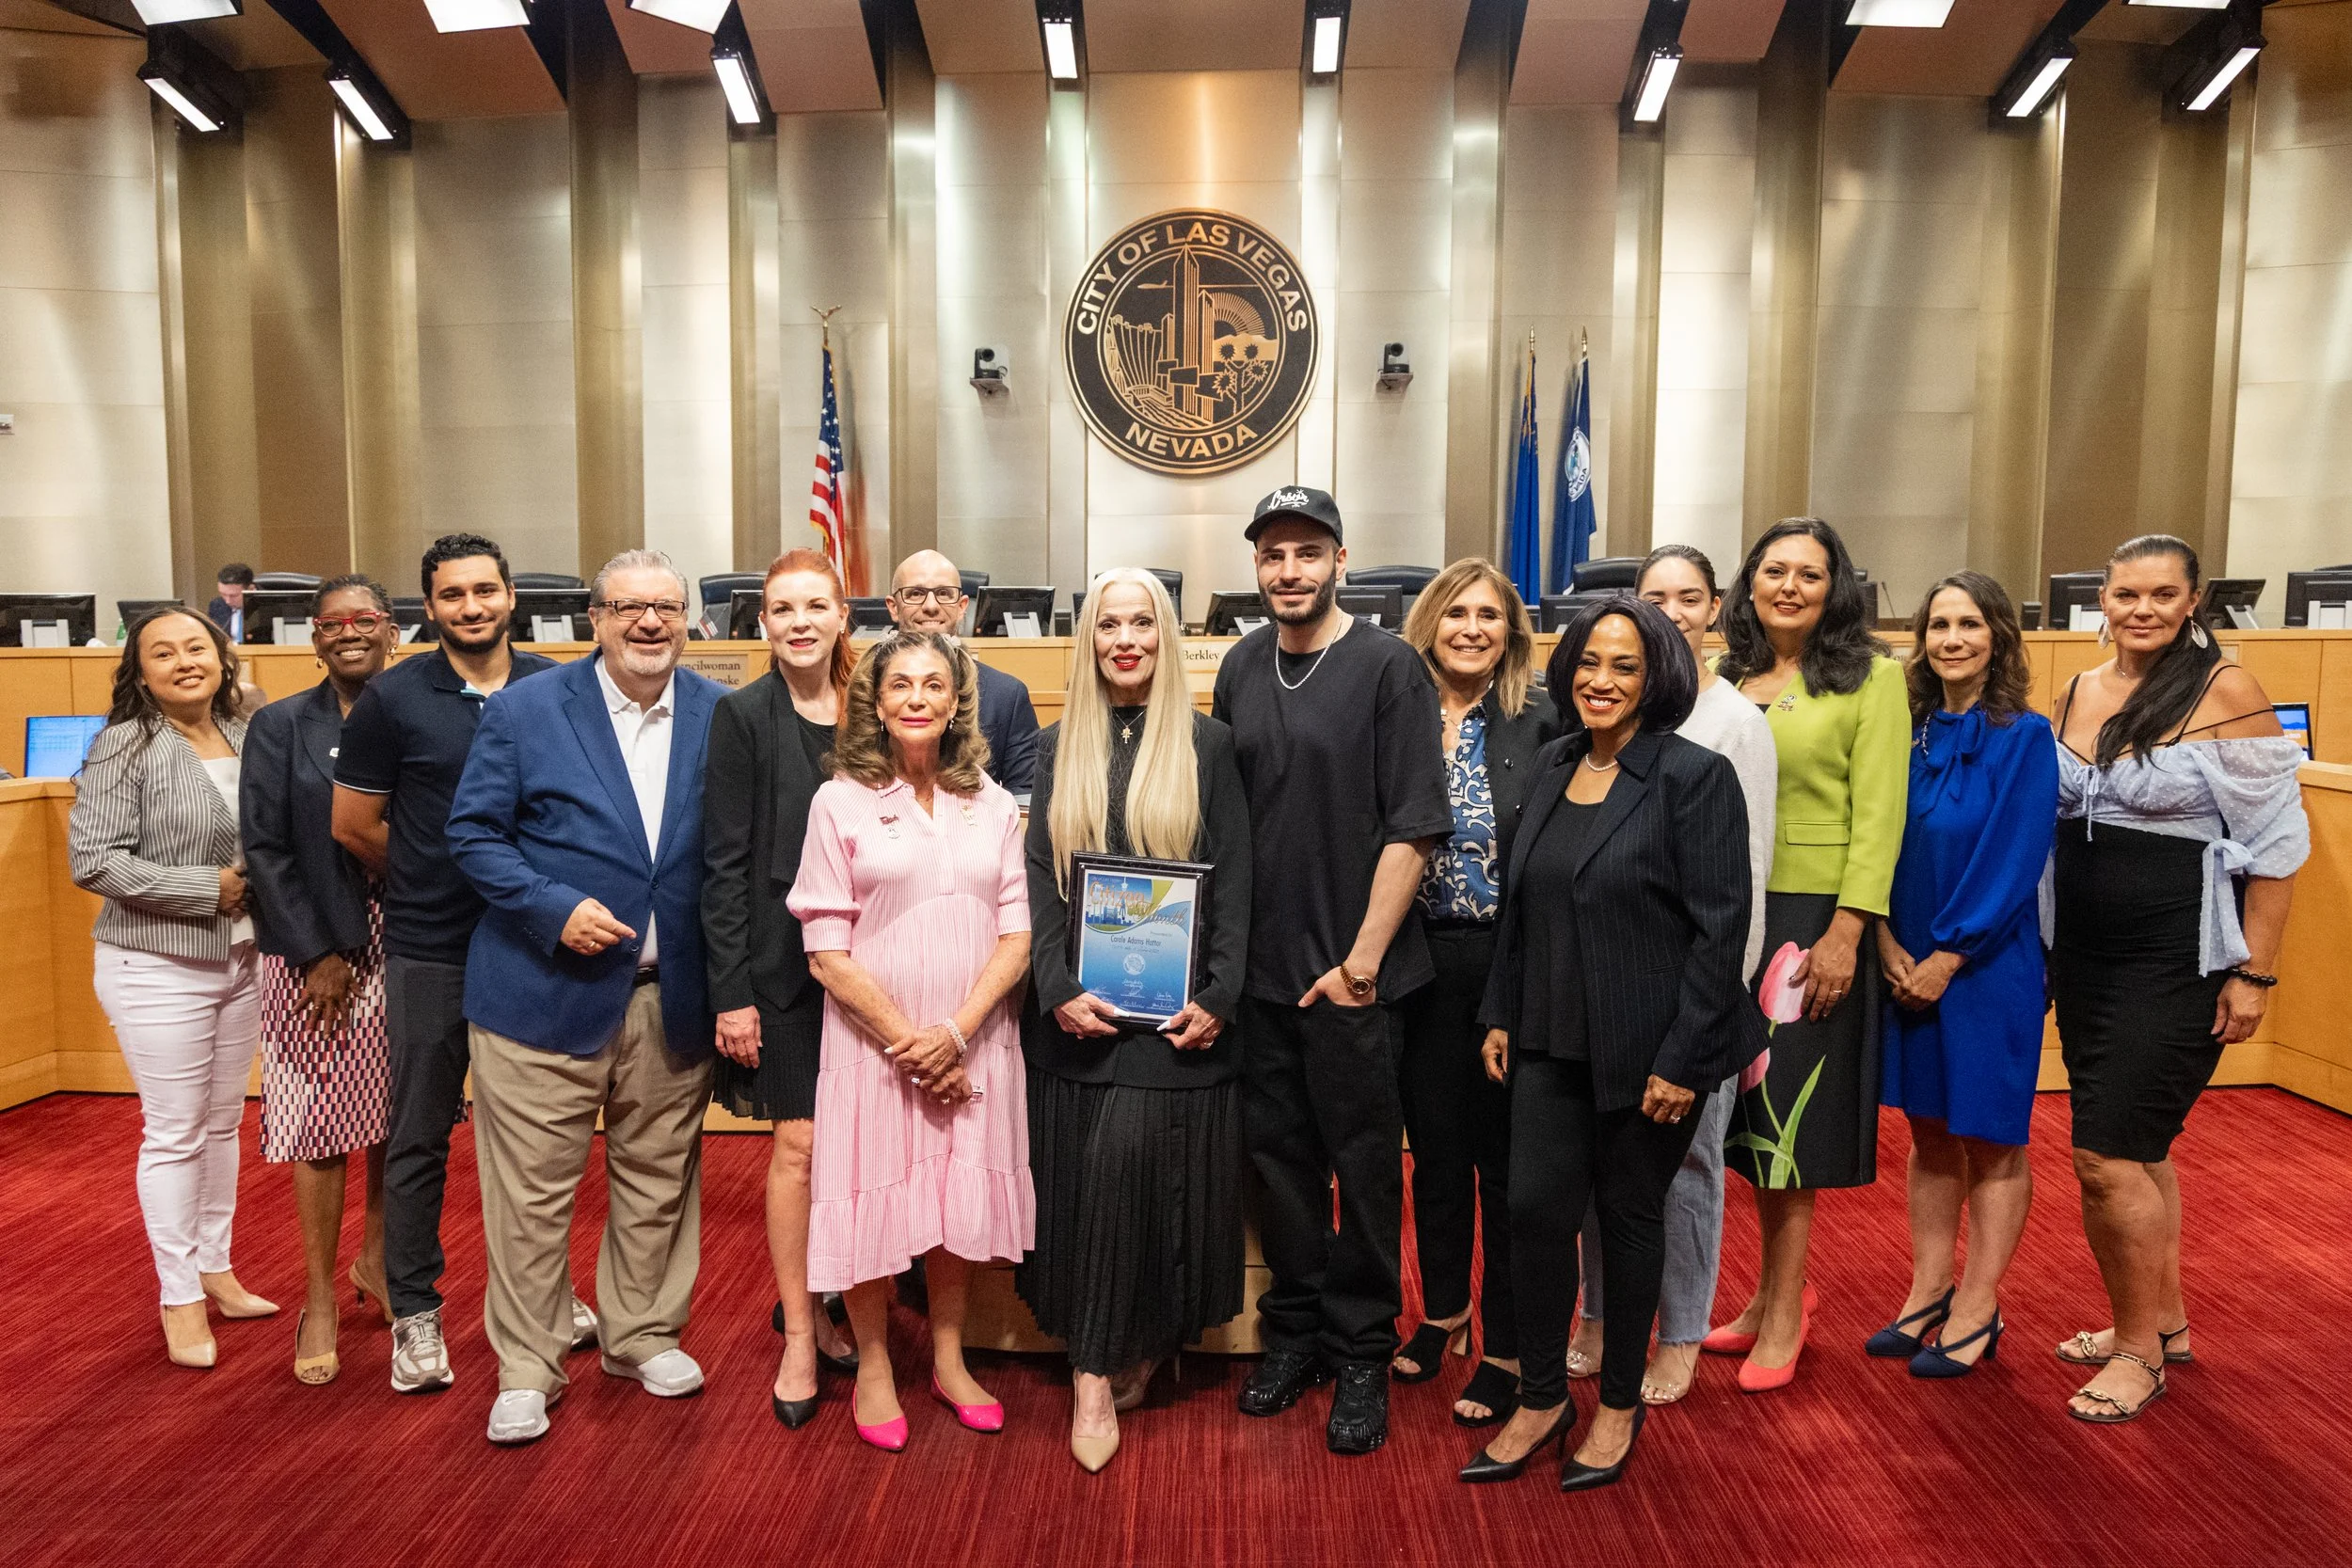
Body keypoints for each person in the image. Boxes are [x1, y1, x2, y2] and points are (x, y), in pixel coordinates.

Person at [1463, 595, 1757, 1491]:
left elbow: (1721, 932)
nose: (1601, 680)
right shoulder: (1554, 765)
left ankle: (1619, 1404)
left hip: (1651, 1053)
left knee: (1631, 1226)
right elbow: (1523, 904)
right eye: (1590, 662)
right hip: (1549, 1038)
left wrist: (1683, 1059)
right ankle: (1545, 1395)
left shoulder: (1694, 777)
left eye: (1625, 666)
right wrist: (1502, 1008)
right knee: (1535, 1216)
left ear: (1656, 676)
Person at [446, 549, 726, 1447]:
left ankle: (641, 1333)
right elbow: (473, 833)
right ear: (595, 618)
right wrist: (551, 907)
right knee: (531, 1199)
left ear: (690, 620)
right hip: (541, 995)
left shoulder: (724, 716)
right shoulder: (527, 710)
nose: (650, 623)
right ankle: (528, 1365)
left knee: (656, 1182)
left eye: (667, 608)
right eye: (629, 608)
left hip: (667, 998)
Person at [1212, 486, 1453, 1456]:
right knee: (1279, 1170)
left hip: (1356, 982)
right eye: (1272, 554)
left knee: (1362, 1170)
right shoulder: (1237, 666)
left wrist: (1359, 965)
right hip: (1260, 981)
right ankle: (1298, 1333)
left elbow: (1416, 825)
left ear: (1341, 560)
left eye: (1307, 552)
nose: (1288, 570)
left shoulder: (1391, 667)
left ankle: (1361, 1348)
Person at [2049, 535, 2306, 1423]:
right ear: (2104, 598)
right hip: (2084, 953)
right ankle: (2163, 1320)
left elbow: (2276, 849)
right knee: (2142, 1147)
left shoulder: (2223, 690)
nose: (2144, 609)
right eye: (2127, 593)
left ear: (2194, 599)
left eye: (2164, 594)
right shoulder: (2080, 688)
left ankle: (2135, 1354)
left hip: (2177, 954)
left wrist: (2255, 975)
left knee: (2105, 1156)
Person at [1016, 568, 1254, 1473]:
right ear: (1088, 641)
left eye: (1142, 623)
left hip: (1176, 1025)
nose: (1125, 639)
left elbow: (1234, 881)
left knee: (1126, 1174)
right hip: (1076, 1020)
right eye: (1108, 624)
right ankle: (1104, 1364)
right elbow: (1036, 889)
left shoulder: (1209, 746)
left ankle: (1111, 1360)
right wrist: (1054, 985)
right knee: (1080, 1191)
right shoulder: (1049, 748)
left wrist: (1222, 996)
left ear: (1165, 636)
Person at [331, 534, 568, 1396]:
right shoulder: (393, 699)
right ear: (428, 609)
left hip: (532, 943)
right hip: (431, 946)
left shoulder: (557, 687)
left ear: (512, 596)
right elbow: (354, 825)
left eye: (484, 590)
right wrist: (439, 870)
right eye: (452, 595)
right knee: (419, 1133)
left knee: (535, 1136)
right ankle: (415, 1312)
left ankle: (541, 1298)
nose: (471, 606)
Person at [790, 630, 1034, 1453]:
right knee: (874, 1203)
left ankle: (949, 1357)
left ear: (958, 699)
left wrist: (956, 1034)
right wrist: (911, 1044)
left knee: (950, 1205)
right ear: (875, 700)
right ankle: (872, 1366)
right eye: (902, 685)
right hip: (874, 1049)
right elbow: (825, 950)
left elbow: (1019, 935)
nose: (919, 697)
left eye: (936, 684)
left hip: (974, 1039)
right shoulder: (840, 801)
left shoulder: (994, 802)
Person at [1570, 545, 1777, 1405]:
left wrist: (1709, 1020)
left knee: (1685, 1171)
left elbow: (1744, 887)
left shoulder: (1733, 724)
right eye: (1654, 596)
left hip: (1690, 1003)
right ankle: (1598, 1313)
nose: (1672, 612)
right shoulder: (1609, 714)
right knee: (1594, 1165)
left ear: (1714, 608)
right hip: (1603, 994)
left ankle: (1681, 1330)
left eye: (1688, 598)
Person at [1709, 517, 1908, 1392]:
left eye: (1811, 573)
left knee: (1790, 1123)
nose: (1790, 585)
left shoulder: (1872, 678)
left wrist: (1848, 928)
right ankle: (1763, 1295)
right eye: (1775, 569)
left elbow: (1881, 814)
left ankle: (1786, 1310)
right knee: (1747, 1123)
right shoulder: (1723, 676)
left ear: (1838, 589)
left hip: (1811, 917)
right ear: (1749, 581)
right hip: (1729, 911)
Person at [69, 607, 273, 1370]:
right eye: (164, 652)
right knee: (174, 1131)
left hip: (244, 958)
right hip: (157, 965)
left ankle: (215, 1266)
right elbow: (93, 859)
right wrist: (205, 889)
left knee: (222, 1126)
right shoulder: (125, 745)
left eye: (197, 646)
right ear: (140, 671)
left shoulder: (250, 735)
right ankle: (178, 1293)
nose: (185, 661)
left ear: (222, 657)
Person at [1867, 572, 2056, 1378]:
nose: (1951, 638)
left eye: (1969, 623)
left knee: (1994, 1138)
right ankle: (1928, 1290)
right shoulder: (1904, 731)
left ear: (1999, 637)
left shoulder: (2025, 735)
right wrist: (1881, 941)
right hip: (1903, 960)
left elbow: (2013, 860)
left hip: (1983, 969)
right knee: (1930, 1133)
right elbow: (1870, 832)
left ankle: (1980, 1306)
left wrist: (1948, 956)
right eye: (1938, 623)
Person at [1389, 559, 1558, 1427]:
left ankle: (1507, 1344)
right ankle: (1445, 1309)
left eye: (1489, 614)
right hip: (1415, 966)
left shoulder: (1541, 719)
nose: (1471, 628)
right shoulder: (1399, 709)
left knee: (1508, 1168)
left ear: (1511, 630)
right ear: (1429, 621)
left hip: (1509, 965)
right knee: (1437, 1156)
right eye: (1455, 612)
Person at [701, 548, 862, 1428]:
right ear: (761, 623)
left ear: (844, 617)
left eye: (814, 606)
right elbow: (721, 865)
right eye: (780, 609)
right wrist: (733, 992)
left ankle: (843, 1301)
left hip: (879, 968)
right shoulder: (744, 717)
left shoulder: (879, 707)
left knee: (867, 1146)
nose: (799, 622)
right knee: (799, 1148)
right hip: (784, 972)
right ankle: (800, 1330)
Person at [241, 576, 402, 1385]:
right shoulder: (279, 725)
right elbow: (265, 848)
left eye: (364, 619)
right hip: (313, 949)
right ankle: (319, 1297)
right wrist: (318, 953)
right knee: (318, 1125)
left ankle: (376, 1260)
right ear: (313, 639)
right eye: (332, 623)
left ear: (391, 631)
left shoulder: (415, 711)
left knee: (396, 1115)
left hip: (408, 940)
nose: (348, 632)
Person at [884, 548, 1040, 794]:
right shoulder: (867, 687)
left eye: (944, 594)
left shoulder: (1007, 695)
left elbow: (1026, 794)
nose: (931, 606)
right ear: (893, 607)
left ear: (962, 606)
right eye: (916, 594)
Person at [208, 563, 253, 643]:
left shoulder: (267, 605)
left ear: (250, 589)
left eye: (234, 596)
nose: (227, 601)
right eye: (223, 594)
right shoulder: (216, 605)